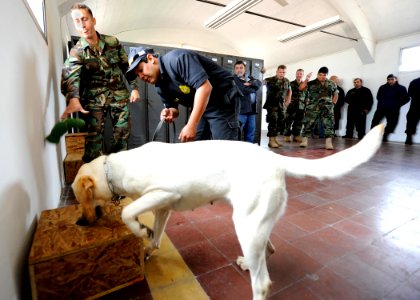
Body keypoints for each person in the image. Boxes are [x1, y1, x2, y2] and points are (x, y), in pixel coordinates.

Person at [60, 3, 140, 163]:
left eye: (85, 19)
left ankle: (117, 176)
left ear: (93, 20)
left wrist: (135, 88)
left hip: (119, 97)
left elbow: (127, 67)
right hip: (94, 102)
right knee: (93, 145)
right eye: (77, 21)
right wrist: (73, 99)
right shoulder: (77, 51)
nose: (82, 25)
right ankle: (94, 180)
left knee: (122, 137)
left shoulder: (112, 42)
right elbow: (70, 75)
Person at [125, 47, 241, 142]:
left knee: (223, 149)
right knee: (193, 145)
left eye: (141, 70)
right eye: (138, 75)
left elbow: (205, 87)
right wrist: (170, 112)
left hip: (221, 100)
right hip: (201, 105)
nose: (141, 77)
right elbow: (173, 109)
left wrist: (191, 125)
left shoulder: (177, 59)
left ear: (150, 58)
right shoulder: (160, 85)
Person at [300, 66, 338, 150]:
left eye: (324, 75)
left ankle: (328, 143)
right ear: (317, 74)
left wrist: (333, 104)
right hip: (313, 107)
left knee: (329, 125)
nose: (322, 76)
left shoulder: (332, 83)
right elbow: (301, 88)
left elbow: (336, 94)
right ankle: (304, 141)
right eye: (320, 75)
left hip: (327, 108)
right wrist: (306, 79)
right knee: (308, 124)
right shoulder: (311, 83)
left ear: (326, 75)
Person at [371, 74, 410, 142]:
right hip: (381, 108)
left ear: (396, 79)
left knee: (392, 123)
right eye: (389, 80)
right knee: (375, 122)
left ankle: (385, 136)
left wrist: (397, 105)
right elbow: (378, 97)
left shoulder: (401, 88)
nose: (390, 81)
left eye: (392, 79)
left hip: (393, 110)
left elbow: (407, 99)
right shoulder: (382, 87)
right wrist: (382, 103)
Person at [263, 65, 292, 148]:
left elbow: (290, 90)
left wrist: (288, 100)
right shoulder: (270, 80)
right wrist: (262, 73)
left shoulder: (286, 81)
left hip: (281, 106)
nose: (282, 74)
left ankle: (274, 140)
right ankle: (271, 141)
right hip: (272, 105)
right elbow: (260, 83)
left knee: (279, 122)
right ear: (276, 72)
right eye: (280, 72)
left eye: (283, 72)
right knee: (273, 122)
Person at [233, 61, 262, 143]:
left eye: (241, 68)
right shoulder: (234, 79)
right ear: (235, 70)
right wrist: (253, 87)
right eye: (237, 68)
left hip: (251, 112)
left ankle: (249, 152)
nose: (239, 70)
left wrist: (250, 84)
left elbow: (259, 83)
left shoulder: (249, 78)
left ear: (245, 69)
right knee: (237, 134)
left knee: (250, 134)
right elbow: (242, 90)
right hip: (241, 112)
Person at [283, 69, 310, 142]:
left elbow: (307, 95)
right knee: (288, 121)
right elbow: (286, 93)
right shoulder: (290, 83)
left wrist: (307, 104)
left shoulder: (306, 85)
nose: (299, 75)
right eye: (298, 73)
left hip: (301, 106)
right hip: (291, 106)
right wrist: (286, 101)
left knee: (299, 122)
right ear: (295, 74)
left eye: (300, 74)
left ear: (303, 75)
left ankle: (296, 136)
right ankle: (287, 136)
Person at [405, 76, 420, 145]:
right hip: (415, 104)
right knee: (411, 120)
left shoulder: (414, 81)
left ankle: (409, 138)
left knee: (411, 121)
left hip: (415, 104)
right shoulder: (414, 81)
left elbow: (409, 93)